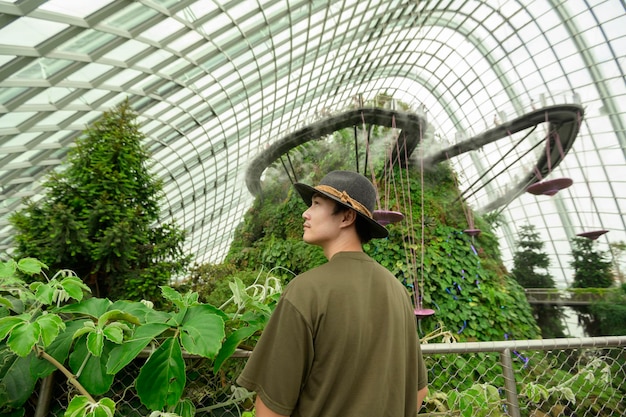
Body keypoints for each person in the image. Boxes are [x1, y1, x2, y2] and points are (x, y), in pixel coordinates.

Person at [236, 170, 428, 417]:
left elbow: (271, 409)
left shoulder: (306, 290)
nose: (305, 213)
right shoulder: (398, 291)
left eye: (316, 204)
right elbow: (419, 392)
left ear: (347, 217)